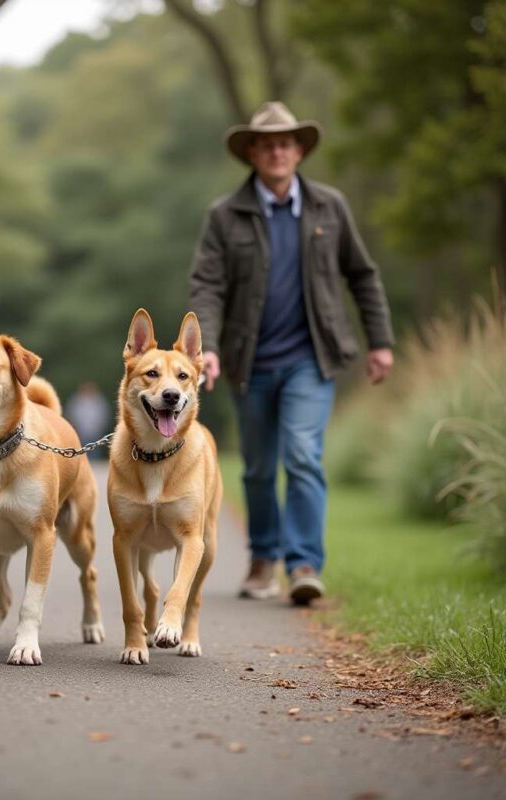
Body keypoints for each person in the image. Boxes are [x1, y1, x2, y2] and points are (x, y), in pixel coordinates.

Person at [189, 101, 394, 605]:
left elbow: (362, 276)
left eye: (286, 142)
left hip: (311, 359)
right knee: (259, 467)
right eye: (267, 143)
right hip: (247, 363)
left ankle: (303, 563)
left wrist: (380, 341)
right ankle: (263, 557)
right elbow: (207, 286)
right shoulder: (225, 214)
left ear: (299, 150)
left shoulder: (330, 207)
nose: (277, 151)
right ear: (253, 153)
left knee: (303, 455)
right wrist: (207, 349)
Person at [64, 381, 112, 459]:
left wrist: (99, 427)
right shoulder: (77, 400)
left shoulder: (99, 401)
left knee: (95, 449)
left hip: (95, 430)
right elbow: (72, 414)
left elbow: (103, 415)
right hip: (81, 430)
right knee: (82, 449)